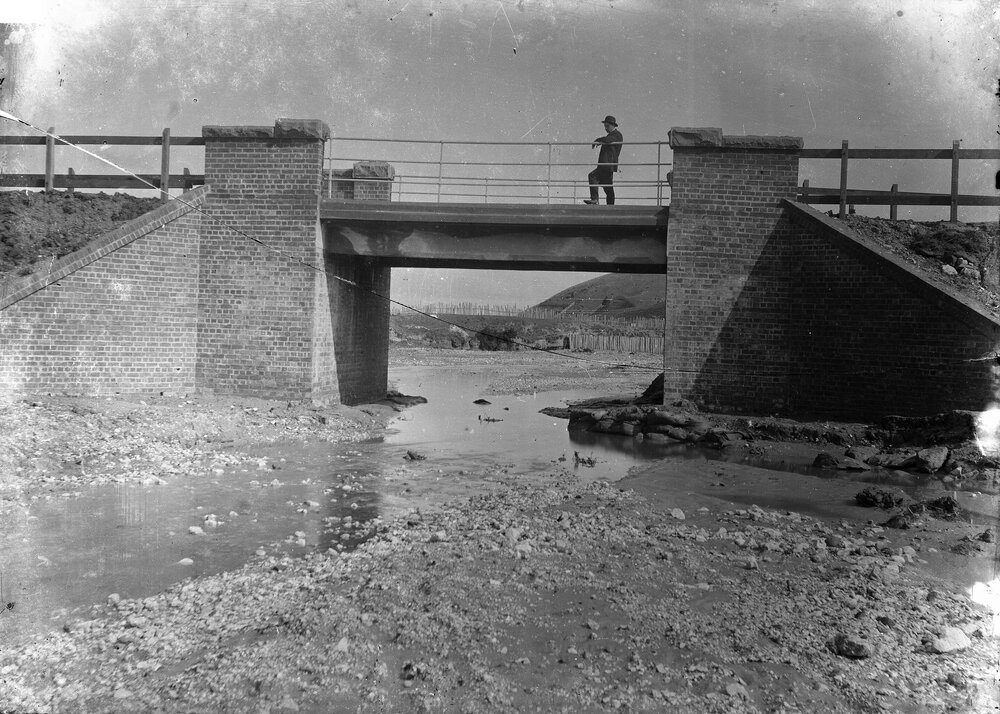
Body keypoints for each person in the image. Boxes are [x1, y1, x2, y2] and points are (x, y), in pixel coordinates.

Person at [585, 115, 623, 205]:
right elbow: (608, 139)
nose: (605, 128)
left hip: (607, 164)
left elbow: (609, 140)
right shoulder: (612, 135)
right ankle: (610, 207)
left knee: (592, 176)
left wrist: (598, 140)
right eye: (605, 126)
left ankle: (595, 199)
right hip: (607, 165)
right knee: (608, 187)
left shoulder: (617, 135)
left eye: (607, 126)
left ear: (613, 125)